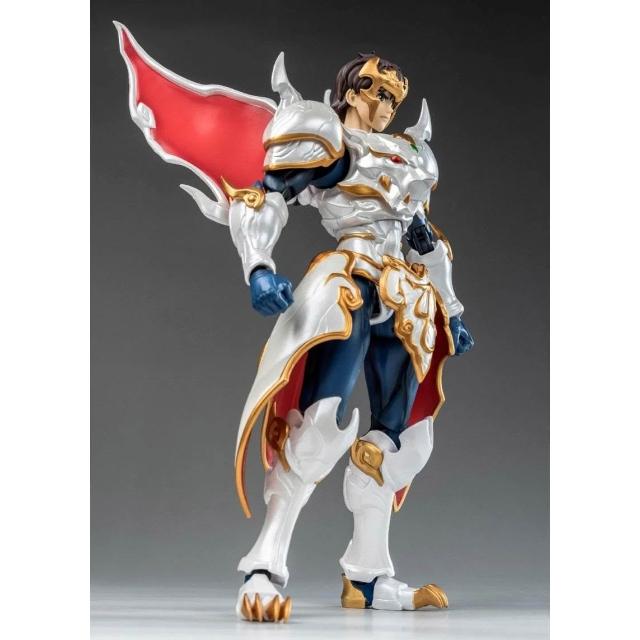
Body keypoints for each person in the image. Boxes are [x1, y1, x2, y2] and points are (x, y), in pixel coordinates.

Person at [116, 25, 474, 623]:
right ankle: (264, 564)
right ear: (350, 92)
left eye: (394, 96)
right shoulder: (326, 135)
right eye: (375, 90)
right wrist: (258, 267)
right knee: (319, 425)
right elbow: (267, 197)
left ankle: (367, 574)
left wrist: (453, 310)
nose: (386, 103)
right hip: (351, 281)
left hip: (408, 299)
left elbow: (425, 241)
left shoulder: (409, 157)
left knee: (401, 441)